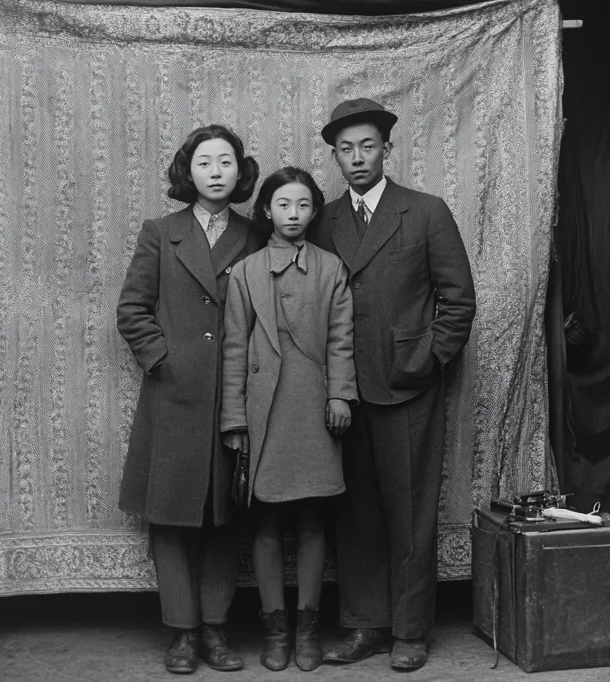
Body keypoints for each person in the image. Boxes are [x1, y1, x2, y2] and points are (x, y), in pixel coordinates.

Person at [307, 98, 476, 672]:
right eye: (346, 149)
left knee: (409, 510)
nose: (357, 158)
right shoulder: (323, 219)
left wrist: (424, 361)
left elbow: (458, 303)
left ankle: (409, 631)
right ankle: (364, 625)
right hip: (341, 387)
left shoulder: (425, 212)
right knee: (355, 513)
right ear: (335, 156)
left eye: (368, 146)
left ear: (387, 148)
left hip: (407, 385)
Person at [116, 124, 263, 675]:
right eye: (205, 162)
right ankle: (182, 633)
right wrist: (164, 360)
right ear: (188, 172)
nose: (216, 172)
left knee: (225, 517)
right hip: (173, 397)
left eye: (226, 162)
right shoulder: (160, 232)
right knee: (174, 518)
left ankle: (218, 631)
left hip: (235, 396)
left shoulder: (254, 235)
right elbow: (132, 309)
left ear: (240, 171)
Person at [220, 167, 357, 672]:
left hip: (315, 408)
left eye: (302, 205)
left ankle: (307, 630)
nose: (293, 215)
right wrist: (235, 418)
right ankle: (274, 630)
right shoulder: (245, 272)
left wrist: (341, 395)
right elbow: (234, 348)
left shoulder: (331, 268)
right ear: (266, 211)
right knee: (267, 522)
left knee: (314, 521)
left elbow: (343, 339)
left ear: (314, 211)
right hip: (263, 411)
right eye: (283, 205)